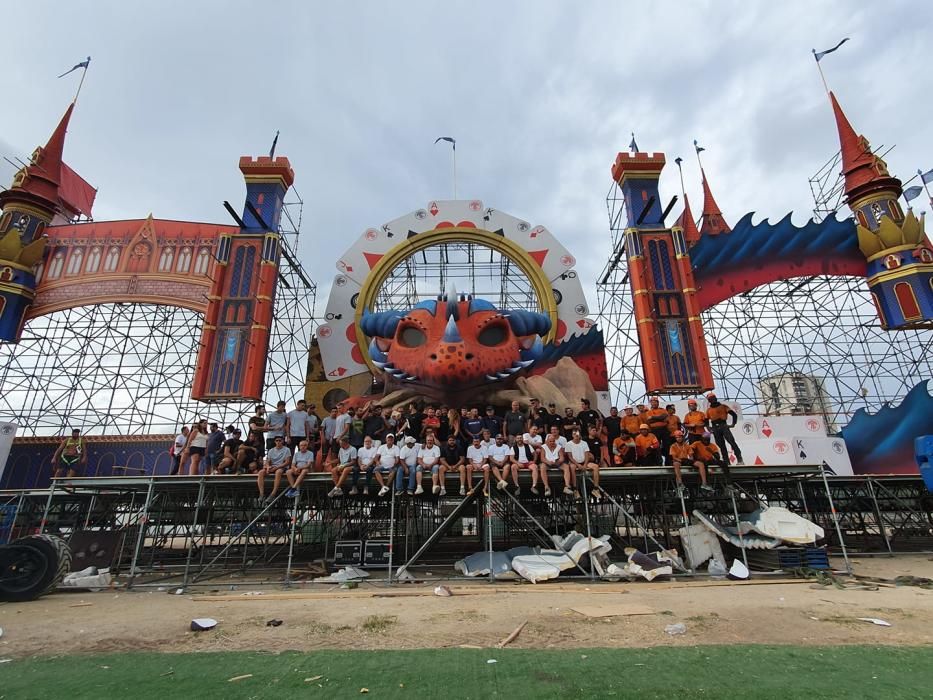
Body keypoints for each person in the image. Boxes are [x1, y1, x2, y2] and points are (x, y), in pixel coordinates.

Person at [669, 430, 713, 496]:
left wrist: (690, 460)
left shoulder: (686, 445)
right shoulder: (673, 446)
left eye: (680, 437)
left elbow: (691, 456)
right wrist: (681, 460)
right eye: (677, 437)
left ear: (682, 437)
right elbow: (674, 457)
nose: (679, 438)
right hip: (679, 460)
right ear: (675, 438)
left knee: (701, 464)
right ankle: (680, 483)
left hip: (686, 460)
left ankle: (704, 484)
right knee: (676, 464)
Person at [706, 393, 744, 465]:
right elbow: (706, 420)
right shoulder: (709, 410)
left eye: (713, 398)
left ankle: (740, 459)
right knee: (721, 445)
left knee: (731, 442)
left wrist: (733, 424)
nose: (712, 400)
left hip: (723, 425)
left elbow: (734, 414)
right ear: (709, 400)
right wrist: (709, 428)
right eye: (710, 399)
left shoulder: (723, 406)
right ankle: (727, 462)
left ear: (715, 398)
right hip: (715, 427)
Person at [564, 430, 602, 499]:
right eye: (574, 434)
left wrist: (585, 464)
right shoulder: (568, 444)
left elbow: (587, 455)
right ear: (572, 435)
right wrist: (578, 465)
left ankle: (596, 488)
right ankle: (575, 489)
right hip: (574, 463)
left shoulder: (584, 443)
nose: (576, 435)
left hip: (584, 462)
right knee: (572, 467)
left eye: (577, 433)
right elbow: (570, 457)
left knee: (596, 467)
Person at [257, 436, 291, 503]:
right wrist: (268, 467)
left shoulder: (287, 449)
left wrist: (277, 467)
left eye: (280, 440)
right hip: (272, 467)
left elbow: (287, 462)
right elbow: (267, 461)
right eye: (276, 440)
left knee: (278, 472)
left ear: (282, 441)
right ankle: (261, 494)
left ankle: (273, 493)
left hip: (281, 467)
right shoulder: (271, 450)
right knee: (261, 472)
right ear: (274, 442)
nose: (278, 442)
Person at [644, 398, 670, 464]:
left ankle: (668, 462)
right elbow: (649, 421)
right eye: (653, 402)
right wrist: (660, 418)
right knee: (656, 446)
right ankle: (658, 462)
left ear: (658, 403)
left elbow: (664, 416)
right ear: (651, 404)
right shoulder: (648, 412)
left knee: (667, 445)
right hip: (654, 430)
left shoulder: (663, 410)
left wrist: (653, 417)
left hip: (664, 429)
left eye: (656, 402)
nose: (654, 403)